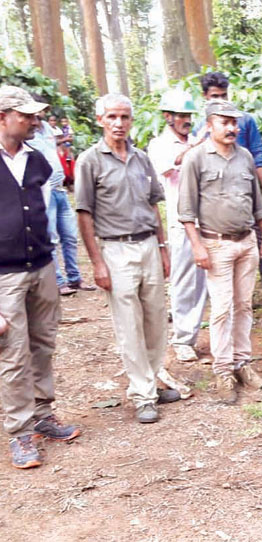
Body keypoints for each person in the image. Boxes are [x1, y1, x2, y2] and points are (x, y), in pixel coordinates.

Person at [75, 93, 183, 424]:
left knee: (154, 317)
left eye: (124, 117)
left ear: (131, 120)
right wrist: (97, 262)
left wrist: (163, 249)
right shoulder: (89, 160)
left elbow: (154, 204)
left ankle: (151, 380)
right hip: (115, 248)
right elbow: (84, 213)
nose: (119, 123)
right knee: (129, 323)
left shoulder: (141, 159)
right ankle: (142, 393)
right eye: (112, 117)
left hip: (148, 244)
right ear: (100, 121)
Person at [0, 85, 80, 469]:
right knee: (13, 354)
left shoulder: (37, 160)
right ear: (3, 117)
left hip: (42, 267)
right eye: (26, 115)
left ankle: (44, 414)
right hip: (5, 276)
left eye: (35, 115)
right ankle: (20, 431)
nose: (34, 121)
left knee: (42, 343)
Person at [179, 99, 262, 403]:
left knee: (244, 305)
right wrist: (198, 246)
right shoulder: (196, 159)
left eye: (235, 122)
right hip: (215, 243)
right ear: (209, 125)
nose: (232, 128)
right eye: (224, 122)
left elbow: (257, 202)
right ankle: (223, 370)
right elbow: (185, 210)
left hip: (246, 241)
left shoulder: (245, 157)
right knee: (222, 309)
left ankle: (242, 363)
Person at [198, 72, 262, 321]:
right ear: (204, 97)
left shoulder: (244, 121)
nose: (220, 100)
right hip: (214, 206)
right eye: (214, 97)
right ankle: (217, 306)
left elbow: (258, 155)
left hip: (246, 197)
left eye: (224, 95)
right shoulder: (201, 128)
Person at [147, 89, 207, 363]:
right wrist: (197, 147)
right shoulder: (159, 145)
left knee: (205, 281)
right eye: (180, 115)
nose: (185, 120)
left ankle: (201, 332)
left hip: (207, 220)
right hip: (181, 222)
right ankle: (183, 338)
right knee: (184, 280)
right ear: (167, 117)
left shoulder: (197, 140)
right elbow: (169, 169)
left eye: (188, 115)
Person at [27, 99, 96, 296]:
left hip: (60, 189)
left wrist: (65, 141)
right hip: (44, 189)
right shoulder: (26, 135)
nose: (40, 114)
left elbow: (55, 144)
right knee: (51, 237)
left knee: (70, 236)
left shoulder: (47, 128)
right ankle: (58, 281)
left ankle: (75, 278)